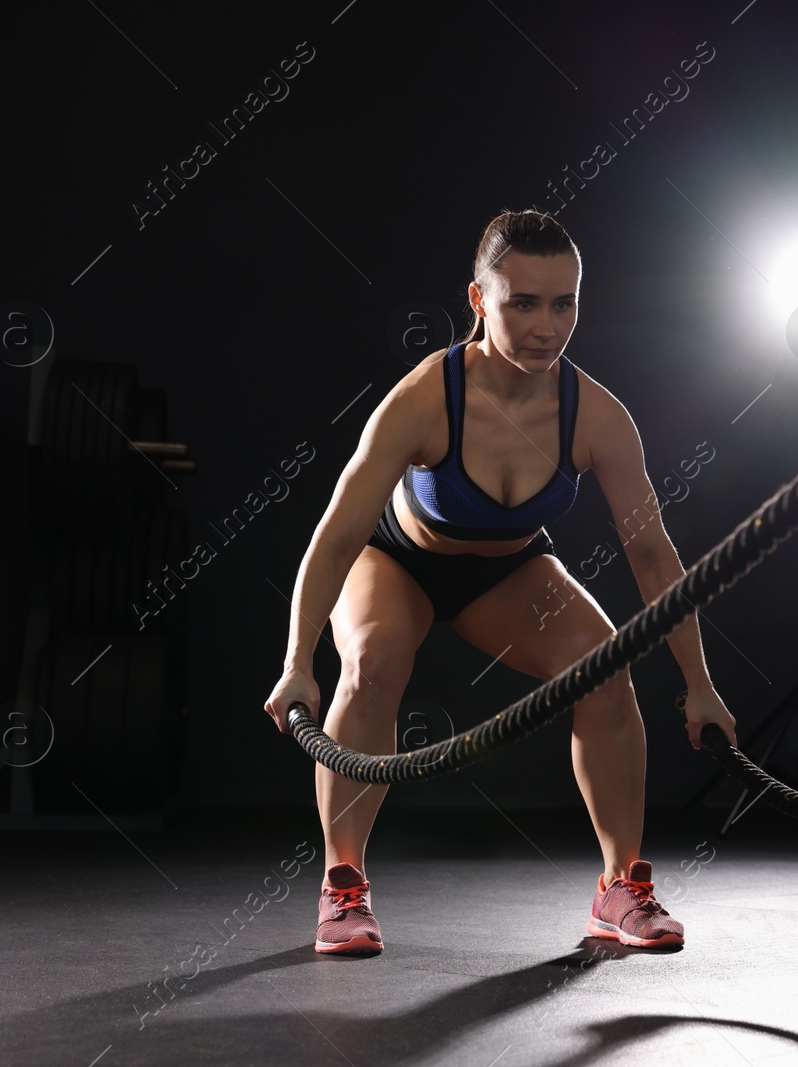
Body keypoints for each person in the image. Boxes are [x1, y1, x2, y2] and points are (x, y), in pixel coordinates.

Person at [263, 210, 738, 956]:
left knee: (606, 669)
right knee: (374, 663)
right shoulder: (425, 397)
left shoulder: (597, 416)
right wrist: (296, 664)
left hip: (509, 570)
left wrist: (698, 683)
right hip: (396, 558)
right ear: (480, 301)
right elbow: (336, 536)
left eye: (564, 303)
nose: (547, 326)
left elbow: (652, 555)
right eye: (523, 302)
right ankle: (343, 885)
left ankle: (620, 887)